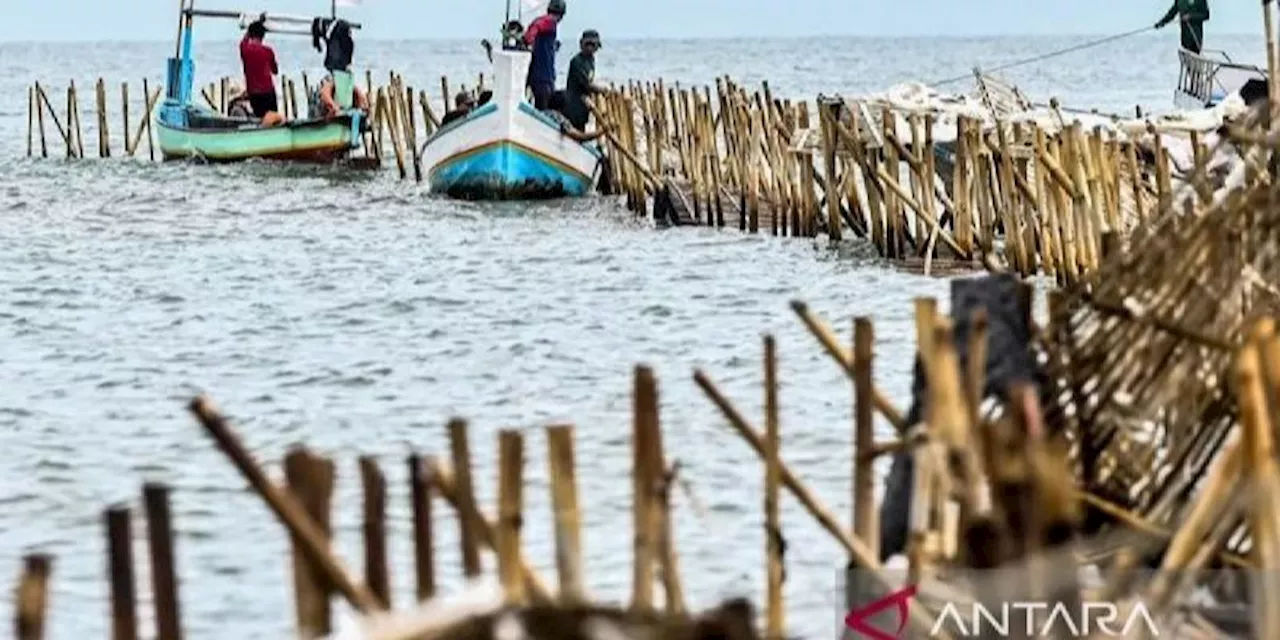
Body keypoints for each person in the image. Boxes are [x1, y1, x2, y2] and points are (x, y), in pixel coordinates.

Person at [522, 0, 566, 110]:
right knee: (542, 108)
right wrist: (530, 39)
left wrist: (553, 46)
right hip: (542, 76)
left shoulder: (547, 26)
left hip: (540, 74)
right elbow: (536, 27)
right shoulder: (550, 21)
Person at [563, 29, 605, 131]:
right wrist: (601, 90)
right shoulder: (577, 61)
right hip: (574, 103)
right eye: (588, 44)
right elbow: (586, 83)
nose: (591, 48)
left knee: (582, 126)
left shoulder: (591, 60)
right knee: (575, 128)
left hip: (583, 104)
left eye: (593, 45)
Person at [239, 18, 280, 118]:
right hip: (268, 92)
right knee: (273, 120)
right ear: (263, 36)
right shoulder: (268, 51)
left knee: (260, 120)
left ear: (251, 34)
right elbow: (275, 71)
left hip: (254, 94)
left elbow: (244, 39)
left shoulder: (244, 50)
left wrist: (253, 26)